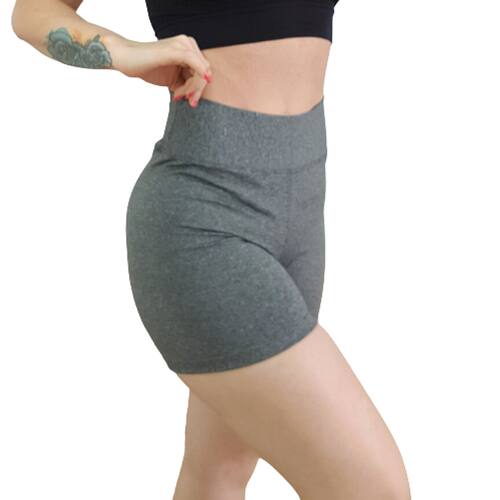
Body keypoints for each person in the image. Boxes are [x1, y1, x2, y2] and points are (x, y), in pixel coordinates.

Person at [11, 1, 412, 499]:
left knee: (219, 471)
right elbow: (32, 12)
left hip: (304, 214)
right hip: (205, 219)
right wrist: (123, 51)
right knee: (372, 488)